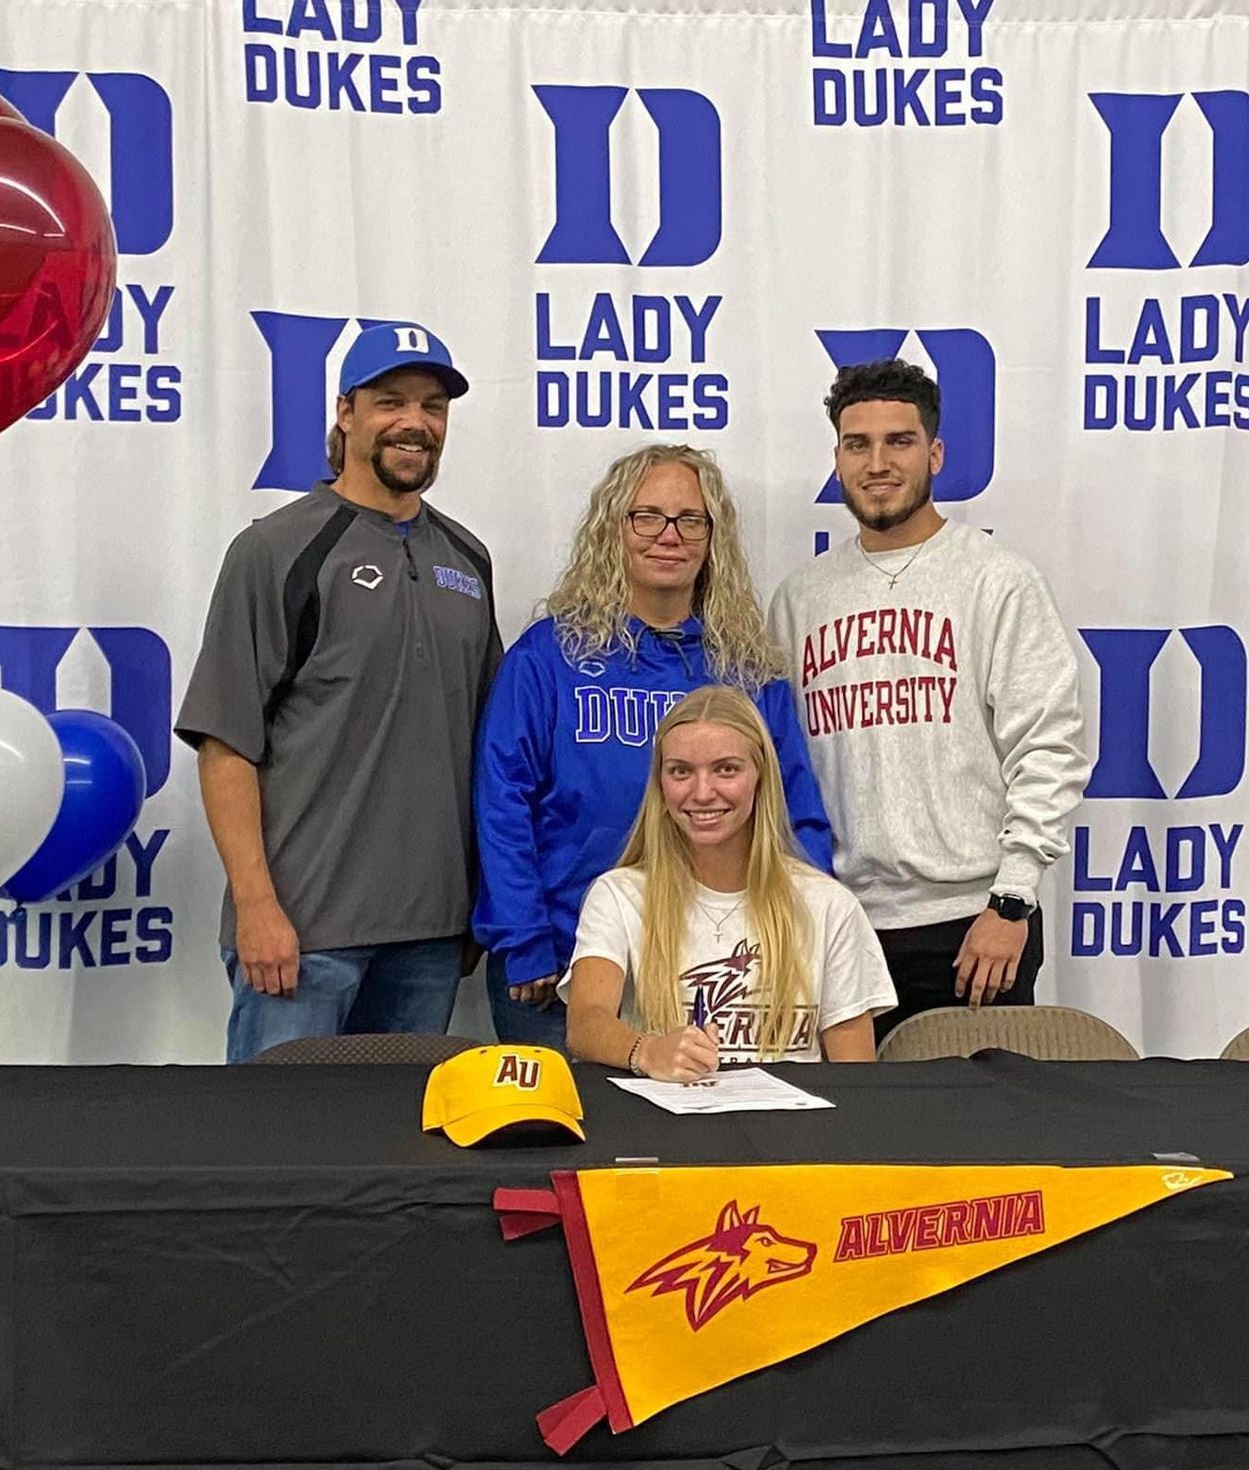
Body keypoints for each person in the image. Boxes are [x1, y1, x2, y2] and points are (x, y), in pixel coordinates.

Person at [175, 321, 500, 1063]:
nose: (415, 422)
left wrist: (475, 909)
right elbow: (225, 744)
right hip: (304, 936)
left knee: (398, 1166)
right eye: (391, 401)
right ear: (346, 413)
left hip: (429, 938)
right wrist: (257, 906)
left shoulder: (467, 559)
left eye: (433, 406)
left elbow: (486, 749)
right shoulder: (277, 550)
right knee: (275, 1162)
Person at [768, 357, 1088, 1040]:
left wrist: (1011, 900)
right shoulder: (800, 599)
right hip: (837, 923)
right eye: (858, 444)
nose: (877, 462)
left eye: (899, 441)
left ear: (935, 453)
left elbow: (1050, 747)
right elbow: (780, 767)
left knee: (975, 1141)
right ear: (838, 458)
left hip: (973, 926)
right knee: (850, 1141)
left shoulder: (997, 581)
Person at [473, 445, 832, 1050]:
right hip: (563, 965)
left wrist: (804, 928)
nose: (670, 535)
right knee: (565, 1141)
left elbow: (795, 809)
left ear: (713, 538)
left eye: (691, 520)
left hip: (716, 973)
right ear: (614, 529)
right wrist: (525, 940)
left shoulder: (745, 667)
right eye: (647, 517)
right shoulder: (549, 656)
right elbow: (501, 802)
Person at [563, 686, 893, 1078]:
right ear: (660, 783)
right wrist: (648, 1052)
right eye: (681, 771)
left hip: (795, 1135)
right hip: (667, 1132)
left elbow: (858, 1080)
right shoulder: (619, 895)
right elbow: (585, 1023)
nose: (702, 793)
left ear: (761, 777)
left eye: (726, 769)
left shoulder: (828, 905)